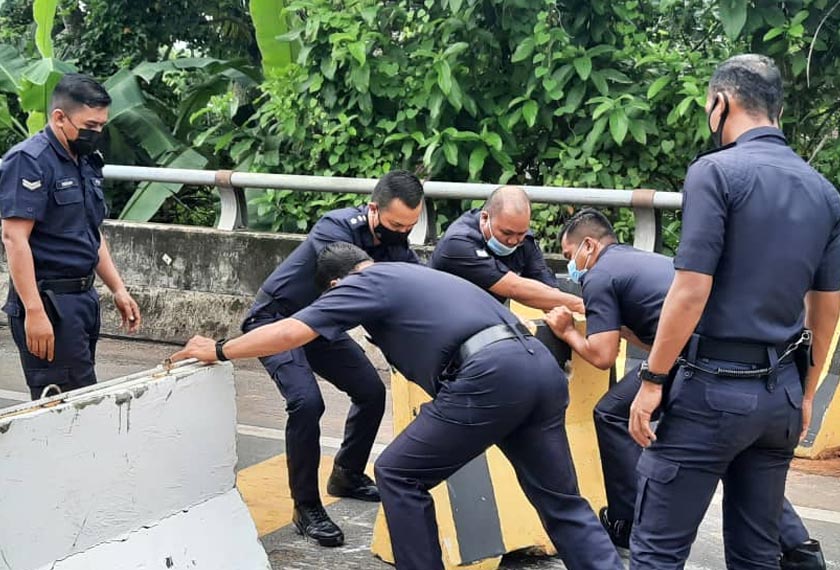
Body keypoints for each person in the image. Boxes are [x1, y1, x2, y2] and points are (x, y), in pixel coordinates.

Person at [171, 242, 624, 570]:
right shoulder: (415, 274)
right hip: (536, 368)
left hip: (491, 377)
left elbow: (291, 332)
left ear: (335, 284)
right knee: (562, 503)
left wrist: (220, 349)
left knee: (397, 473)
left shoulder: (363, 282)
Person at [627, 54, 840, 569]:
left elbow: (690, 291)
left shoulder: (715, 172)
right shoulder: (825, 192)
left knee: (656, 551)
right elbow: (828, 307)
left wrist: (653, 380)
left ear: (721, 103)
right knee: (756, 555)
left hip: (712, 392)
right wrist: (806, 392)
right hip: (782, 401)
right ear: (778, 110)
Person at [546, 208, 825, 568]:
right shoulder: (639, 261)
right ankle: (799, 548)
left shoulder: (599, 275)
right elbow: (657, 335)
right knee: (735, 455)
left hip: (693, 365)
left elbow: (602, 355)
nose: (571, 266)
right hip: (731, 363)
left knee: (610, 413)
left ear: (588, 245)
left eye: (569, 257)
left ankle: (628, 520)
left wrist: (567, 331)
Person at [241, 171, 423, 547]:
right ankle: (305, 507)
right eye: (395, 225)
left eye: (410, 227)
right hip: (279, 320)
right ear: (373, 209)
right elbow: (365, 292)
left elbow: (416, 287)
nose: (402, 234)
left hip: (321, 328)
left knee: (371, 390)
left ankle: (347, 474)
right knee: (306, 403)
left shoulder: (396, 241)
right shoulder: (335, 229)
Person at [0, 73, 141, 400]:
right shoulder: (29, 161)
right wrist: (34, 311)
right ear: (59, 118)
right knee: (65, 407)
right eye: (89, 126)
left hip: (82, 300)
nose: (96, 134)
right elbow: (14, 238)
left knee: (77, 399)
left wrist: (117, 288)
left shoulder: (86, 161)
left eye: (101, 127)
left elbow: (91, 232)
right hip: (49, 301)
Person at [430, 185, 583, 312]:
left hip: (483, 317)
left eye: (521, 233)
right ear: (485, 218)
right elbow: (514, 287)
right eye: (506, 233)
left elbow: (548, 292)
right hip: (442, 318)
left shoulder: (524, 241)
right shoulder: (458, 243)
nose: (513, 241)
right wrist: (580, 305)